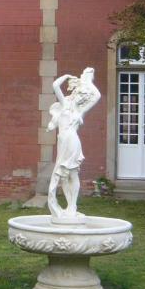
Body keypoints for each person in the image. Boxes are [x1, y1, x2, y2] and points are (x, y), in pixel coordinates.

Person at [47, 68, 101, 220]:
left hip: (72, 140)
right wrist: (65, 76)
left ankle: (72, 206)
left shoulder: (80, 110)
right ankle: (69, 206)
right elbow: (55, 86)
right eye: (78, 92)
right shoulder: (65, 103)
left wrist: (88, 81)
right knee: (63, 176)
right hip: (62, 140)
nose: (79, 96)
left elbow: (96, 95)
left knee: (71, 173)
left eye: (81, 94)